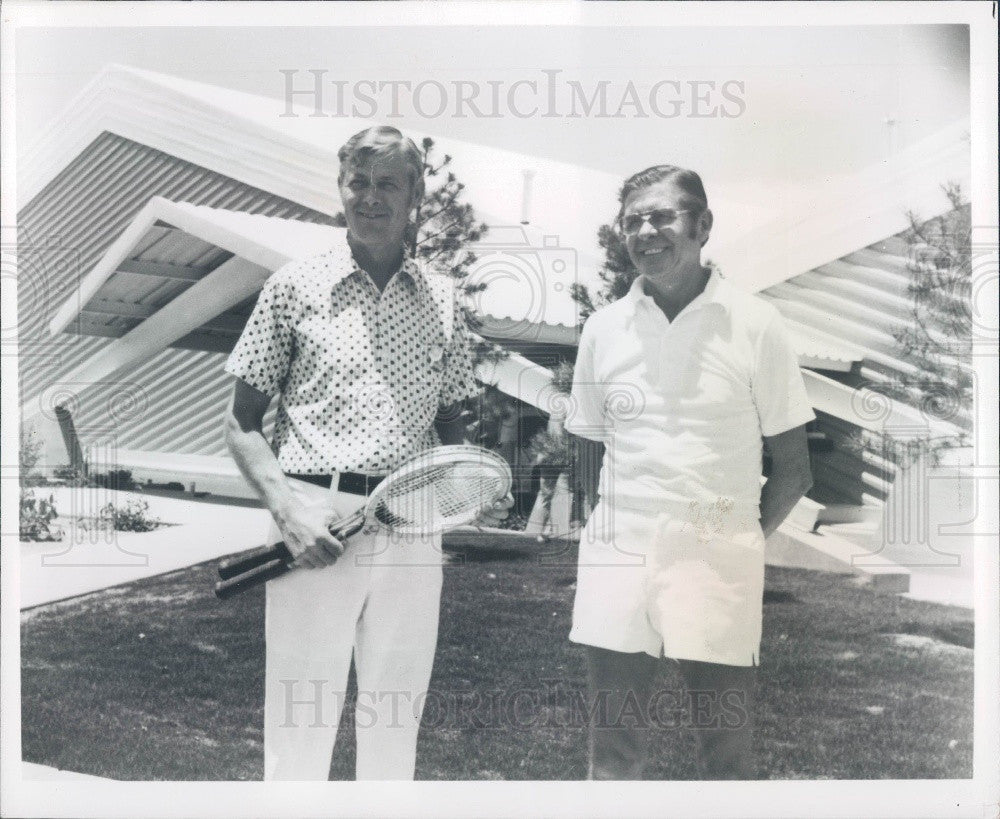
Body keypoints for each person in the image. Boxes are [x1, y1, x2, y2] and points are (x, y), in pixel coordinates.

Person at [223, 126, 510, 780]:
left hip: (412, 523)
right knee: (300, 722)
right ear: (341, 189)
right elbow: (241, 424)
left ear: (415, 199)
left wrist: (468, 476)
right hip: (312, 515)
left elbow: (451, 418)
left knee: (394, 718)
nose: (371, 196)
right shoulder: (294, 285)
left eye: (388, 184)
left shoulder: (442, 296)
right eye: (359, 180)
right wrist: (291, 516)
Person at [564, 164, 815, 780]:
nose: (646, 231)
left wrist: (734, 537)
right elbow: (588, 445)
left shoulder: (757, 324)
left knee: (724, 759)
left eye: (662, 217)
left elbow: (793, 470)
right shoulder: (603, 328)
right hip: (618, 552)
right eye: (632, 221)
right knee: (612, 755)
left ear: (703, 225)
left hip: (716, 553)